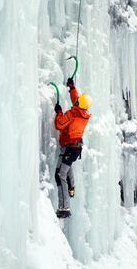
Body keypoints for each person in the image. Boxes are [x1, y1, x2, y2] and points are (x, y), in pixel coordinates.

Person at [54, 77, 92, 218]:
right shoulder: (84, 114)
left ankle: (64, 207)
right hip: (75, 149)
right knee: (67, 167)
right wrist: (72, 88)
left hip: (69, 148)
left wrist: (59, 112)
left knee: (60, 174)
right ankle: (71, 188)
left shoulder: (71, 114)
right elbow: (77, 102)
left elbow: (59, 125)